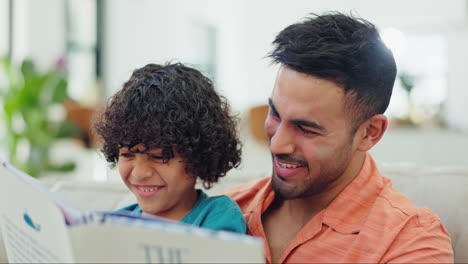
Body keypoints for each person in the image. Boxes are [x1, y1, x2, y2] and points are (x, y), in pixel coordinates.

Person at [223, 12, 454, 263]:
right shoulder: (222, 211)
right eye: (276, 114)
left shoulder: (410, 241)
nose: (277, 144)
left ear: (369, 133)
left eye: (306, 129)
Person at [94, 63, 246, 234]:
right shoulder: (110, 225)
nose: (139, 173)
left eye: (160, 156)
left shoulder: (218, 217)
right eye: (127, 155)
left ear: (199, 156)